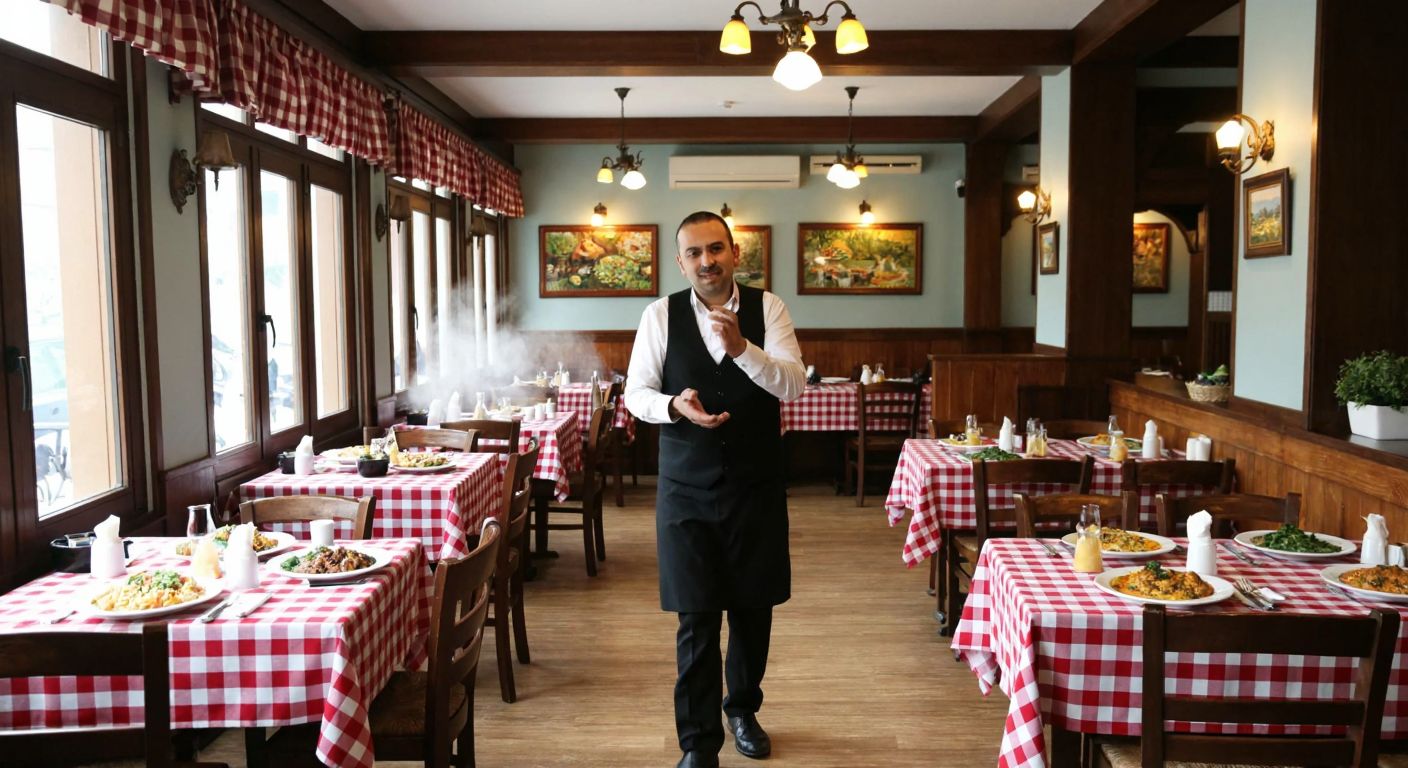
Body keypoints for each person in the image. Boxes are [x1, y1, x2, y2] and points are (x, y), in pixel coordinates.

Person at [625, 212, 806, 768]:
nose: (708, 261)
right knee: (696, 617)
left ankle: (743, 711)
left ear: (734, 253)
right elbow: (636, 393)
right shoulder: (660, 315)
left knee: (753, 610)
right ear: (681, 262)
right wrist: (672, 406)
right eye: (695, 253)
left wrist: (744, 347)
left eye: (716, 249)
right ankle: (698, 745)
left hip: (755, 486)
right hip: (686, 490)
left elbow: (794, 385)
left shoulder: (769, 308)